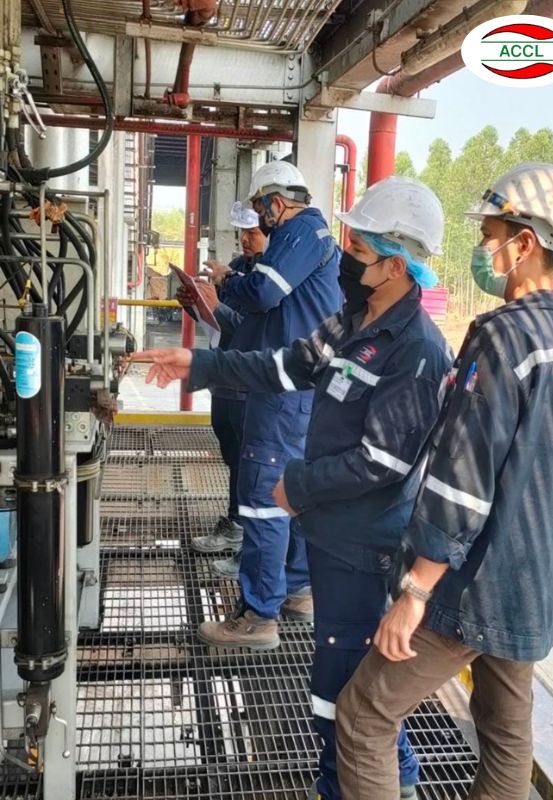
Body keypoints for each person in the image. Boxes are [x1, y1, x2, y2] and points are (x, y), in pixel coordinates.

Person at [133, 175, 454, 800]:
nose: (344, 260)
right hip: (333, 536)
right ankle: (344, 783)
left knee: (354, 694)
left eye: (357, 251)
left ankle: (390, 786)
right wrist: (197, 363)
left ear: (395, 265)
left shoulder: (416, 350)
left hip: (366, 547)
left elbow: (383, 460)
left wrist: (297, 486)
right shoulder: (353, 320)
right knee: (337, 691)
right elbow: (285, 364)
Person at [334, 163, 553, 800]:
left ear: (525, 243)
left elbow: (463, 479)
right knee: (506, 737)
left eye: (489, 235)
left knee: (364, 716)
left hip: (473, 584)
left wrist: (416, 591)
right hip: (536, 585)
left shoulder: (502, 338)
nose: (483, 249)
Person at [177, 160, 341, 644]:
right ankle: (297, 591)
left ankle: (258, 615)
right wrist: (211, 304)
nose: (259, 222)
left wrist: (227, 282)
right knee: (294, 493)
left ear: (276, 202)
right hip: (296, 388)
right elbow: (258, 324)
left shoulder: (301, 231)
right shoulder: (307, 246)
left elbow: (264, 293)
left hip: (282, 394)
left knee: (264, 497)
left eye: (259, 209)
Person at [181, 202, 267, 579]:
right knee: (235, 459)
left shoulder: (269, 282)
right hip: (226, 383)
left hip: (250, 387)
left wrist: (218, 305)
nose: (246, 239)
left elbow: (256, 333)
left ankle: (248, 541)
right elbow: (218, 323)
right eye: (243, 232)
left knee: (253, 466)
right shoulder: (235, 269)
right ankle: (235, 524)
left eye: (254, 233)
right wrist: (194, 305)